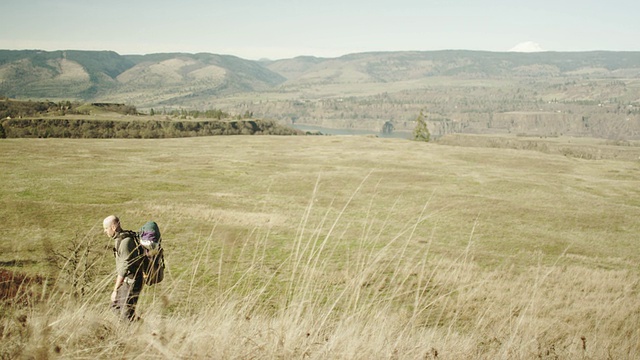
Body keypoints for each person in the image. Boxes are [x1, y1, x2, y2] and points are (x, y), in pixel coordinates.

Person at [103, 215, 145, 321]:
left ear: (113, 227)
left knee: (127, 314)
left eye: (106, 228)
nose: (105, 231)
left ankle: (142, 331)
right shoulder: (120, 239)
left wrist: (115, 290)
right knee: (115, 307)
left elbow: (123, 269)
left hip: (132, 281)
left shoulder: (125, 242)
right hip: (127, 281)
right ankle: (139, 327)